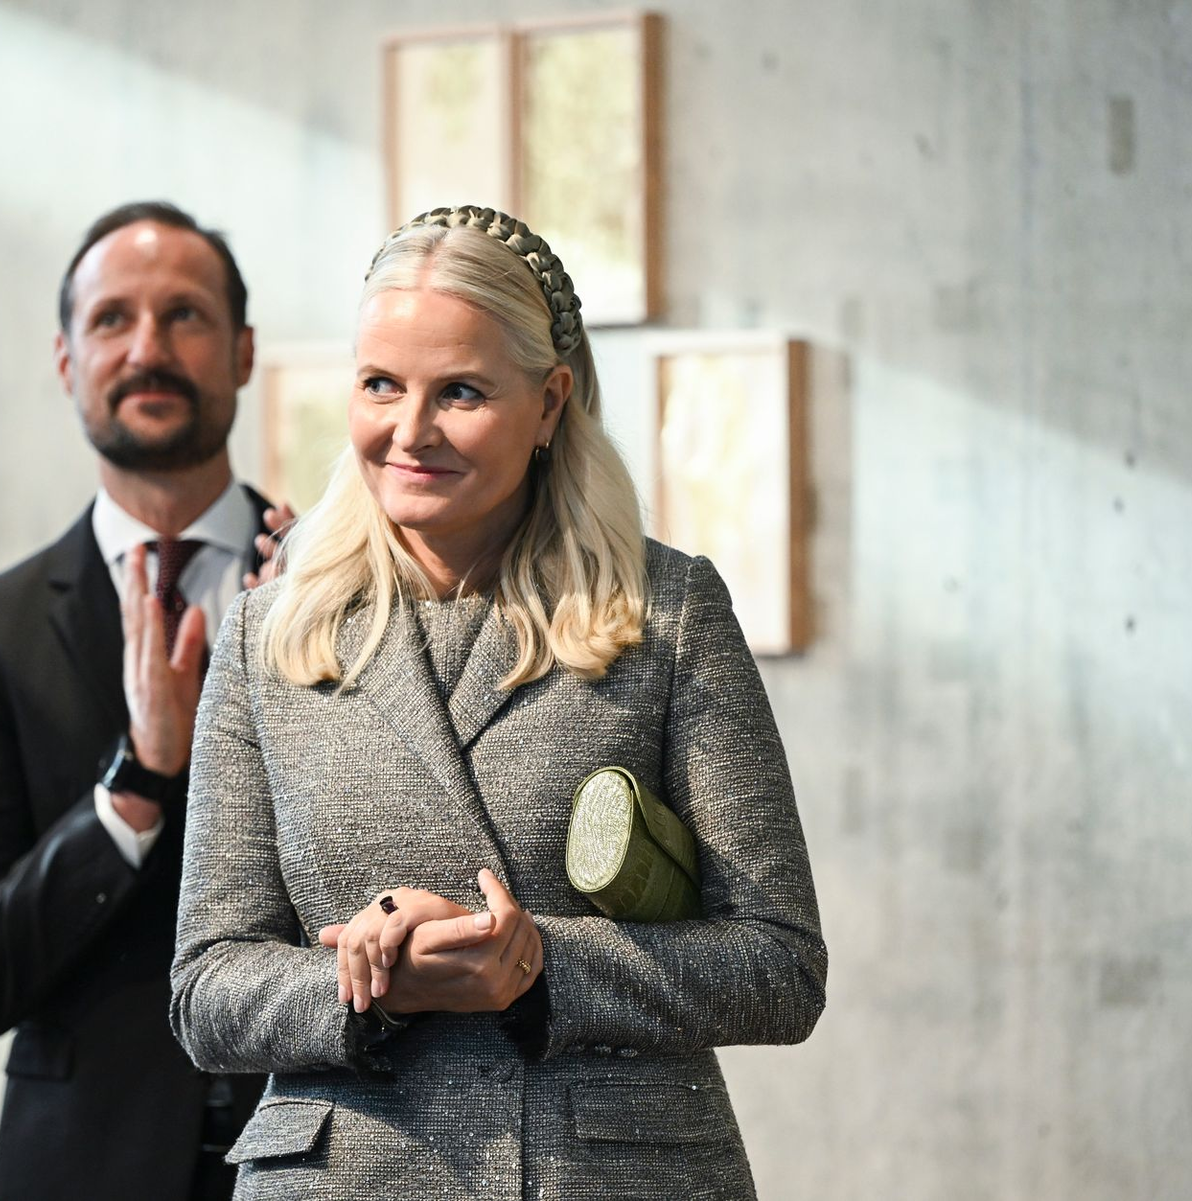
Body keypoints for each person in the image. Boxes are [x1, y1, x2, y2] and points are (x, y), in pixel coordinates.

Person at [170, 204, 827, 1200]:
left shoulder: (667, 612)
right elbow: (205, 990)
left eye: (462, 392)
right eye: (380, 384)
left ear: (551, 401)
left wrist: (539, 963)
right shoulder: (272, 630)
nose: (409, 430)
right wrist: (377, 980)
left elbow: (780, 965)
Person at [0, 201, 286, 1201]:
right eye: (113, 319)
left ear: (243, 351)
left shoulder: (339, 589)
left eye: (186, 316)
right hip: (81, 1164)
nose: (148, 348)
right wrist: (135, 786)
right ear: (68, 358)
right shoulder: (4, 625)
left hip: (325, 1149)